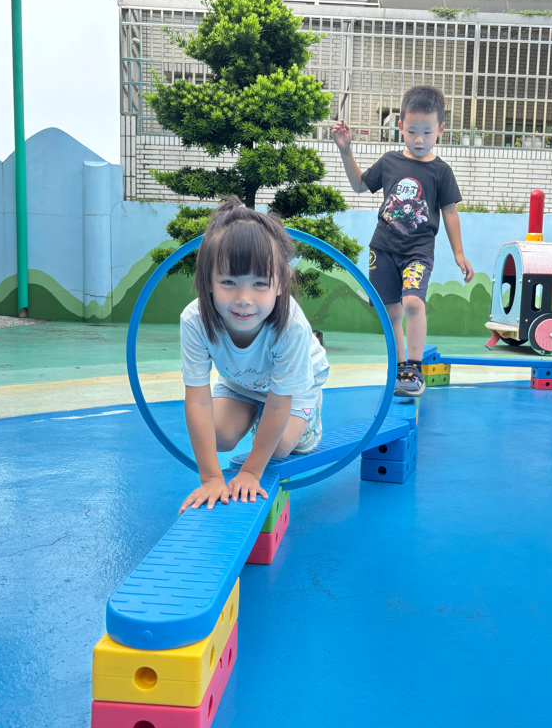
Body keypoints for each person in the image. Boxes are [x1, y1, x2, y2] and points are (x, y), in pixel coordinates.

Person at [179, 197, 329, 512]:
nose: (244, 299)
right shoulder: (195, 320)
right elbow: (198, 400)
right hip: (241, 383)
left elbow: (279, 401)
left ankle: (309, 415)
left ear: (281, 283)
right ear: (208, 280)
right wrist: (211, 477)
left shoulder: (290, 326)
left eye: (260, 283)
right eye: (228, 282)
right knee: (219, 435)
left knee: (281, 448)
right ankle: (254, 413)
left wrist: (250, 472)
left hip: (293, 386)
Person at [333, 86, 474, 397]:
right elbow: (359, 185)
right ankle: (400, 369)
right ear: (400, 127)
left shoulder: (441, 171)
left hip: (418, 251)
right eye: (411, 131)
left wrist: (459, 253)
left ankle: (415, 367)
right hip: (383, 248)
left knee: (412, 302)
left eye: (427, 132)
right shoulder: (390, 161)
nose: (419, 139)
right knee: (391, 311)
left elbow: (450, 212)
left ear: (441, 129)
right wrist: (345, 150)